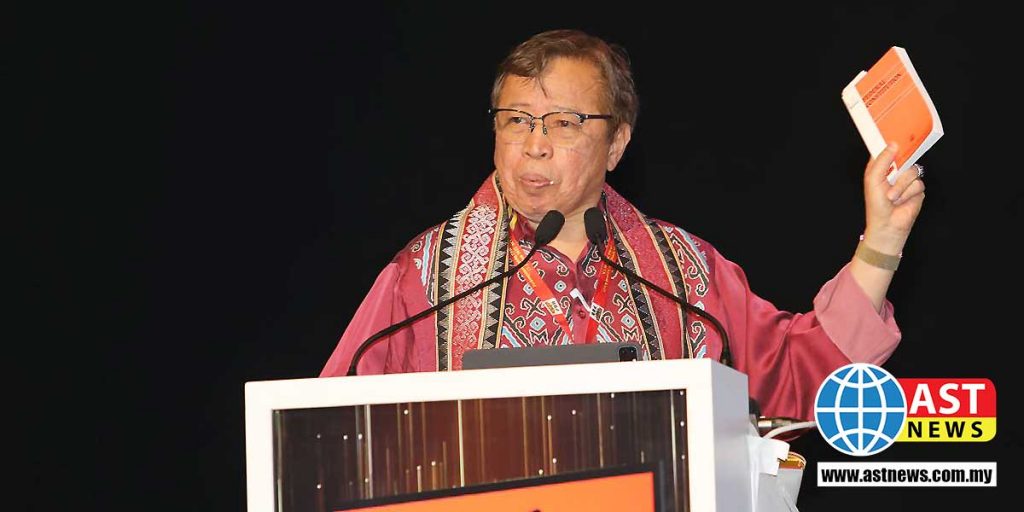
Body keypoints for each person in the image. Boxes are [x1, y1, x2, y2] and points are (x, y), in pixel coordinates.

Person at [319, 29, 925, 421]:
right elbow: (331, 430)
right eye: (516, 120)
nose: (534, 145)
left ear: (616, 144)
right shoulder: (427, 276)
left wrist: (883, 241)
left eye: (564, 123)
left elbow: (803, 378)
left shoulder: (683, 273)